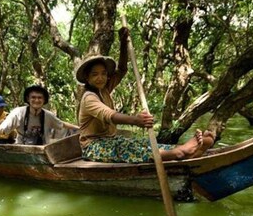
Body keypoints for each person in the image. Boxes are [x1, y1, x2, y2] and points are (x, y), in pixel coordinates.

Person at [76, 54, 215, 164]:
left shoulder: (104, 89)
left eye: (104, 73)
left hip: (111, 140)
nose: (100, 78)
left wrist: (124, 42)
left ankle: (187, 151)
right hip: (93, 147)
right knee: (126, 149)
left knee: (142, 143)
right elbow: (109, 115)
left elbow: (122, 70)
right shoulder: (89, 97)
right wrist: (135, 120)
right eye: (94, 74)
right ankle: (179, 153)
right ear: (87, 78)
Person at [0, 85, 78, 150]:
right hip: (22, 149)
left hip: (43, 149)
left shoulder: (48, 115)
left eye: (40, 98)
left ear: (44, 100)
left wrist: (79, 128)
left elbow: (62, 124)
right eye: (33, 97)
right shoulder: (18, 112)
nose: (36, 100)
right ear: (28, 99)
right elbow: (2, 128)